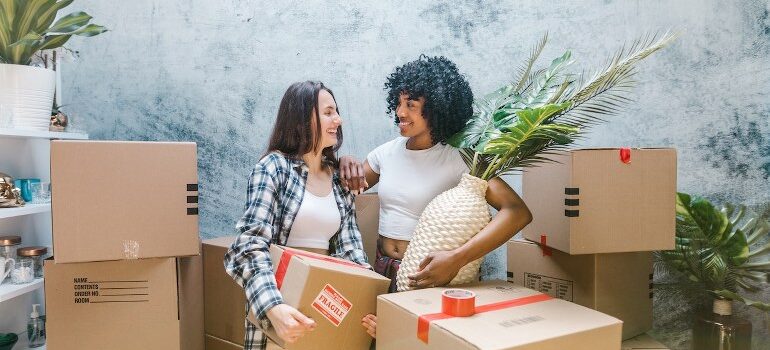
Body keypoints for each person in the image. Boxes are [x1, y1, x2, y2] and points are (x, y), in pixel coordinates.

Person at [339, 56, 533, 338]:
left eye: (411, 105)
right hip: (383, 271)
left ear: (438, 107)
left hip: (429, 277)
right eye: (398, 102)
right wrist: (344, 160)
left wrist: (456, 259)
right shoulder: (387, 153)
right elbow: (342, 188)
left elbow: (516, 212)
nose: (400, 112)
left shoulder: (460, 158)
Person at [224, 81, 370, 350]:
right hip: (280, 305)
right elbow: (250, 245)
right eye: (328, 112)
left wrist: (368, 303)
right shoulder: (273, 168)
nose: (338, 119)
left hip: (323, 310)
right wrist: (273, 308)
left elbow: (351, 252)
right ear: (303, 118)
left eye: (336, 111)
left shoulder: (339, 180)